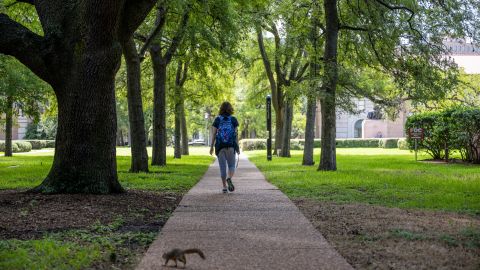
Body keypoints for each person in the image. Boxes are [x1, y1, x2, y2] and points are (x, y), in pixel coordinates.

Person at [209, 101, 240, 193]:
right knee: (231, 166)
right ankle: (229, 178)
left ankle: (224, 187)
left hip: (220, 146)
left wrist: (211, 147)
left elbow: (214, 134)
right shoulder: (233, 119)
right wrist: (237, 147)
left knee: (222, 167)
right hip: (231, 146)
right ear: (230, 109)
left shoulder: (217, 119)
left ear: (221, 109)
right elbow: (235, 135)